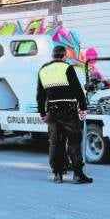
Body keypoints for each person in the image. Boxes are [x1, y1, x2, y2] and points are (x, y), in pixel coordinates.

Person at [37, 45, 92, 184]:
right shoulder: (67, 68)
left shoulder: (43, 70)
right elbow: (78, 90)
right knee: (74, 142)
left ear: (52, 56)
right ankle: (78, 175)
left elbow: (40, 95)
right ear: (64, 56)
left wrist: (42, 113)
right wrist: (83, 108)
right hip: (68, 111)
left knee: (55, 143)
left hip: (52, 112)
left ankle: (57, 174)